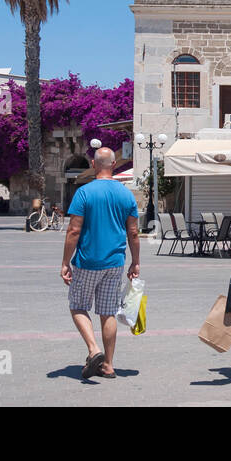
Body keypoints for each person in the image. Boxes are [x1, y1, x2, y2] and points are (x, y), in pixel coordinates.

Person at [61, 147, 139, 380]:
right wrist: (135, 262)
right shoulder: (126, 195)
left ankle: (94, 350)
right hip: (115, 262)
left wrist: (65, 262)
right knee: (108, 312)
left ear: (94, 165)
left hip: (87, 261)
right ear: (114, 165)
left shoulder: (84, 193)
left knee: (77, 305)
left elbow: (74, 230)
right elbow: (133, 233)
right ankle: (109, 365)